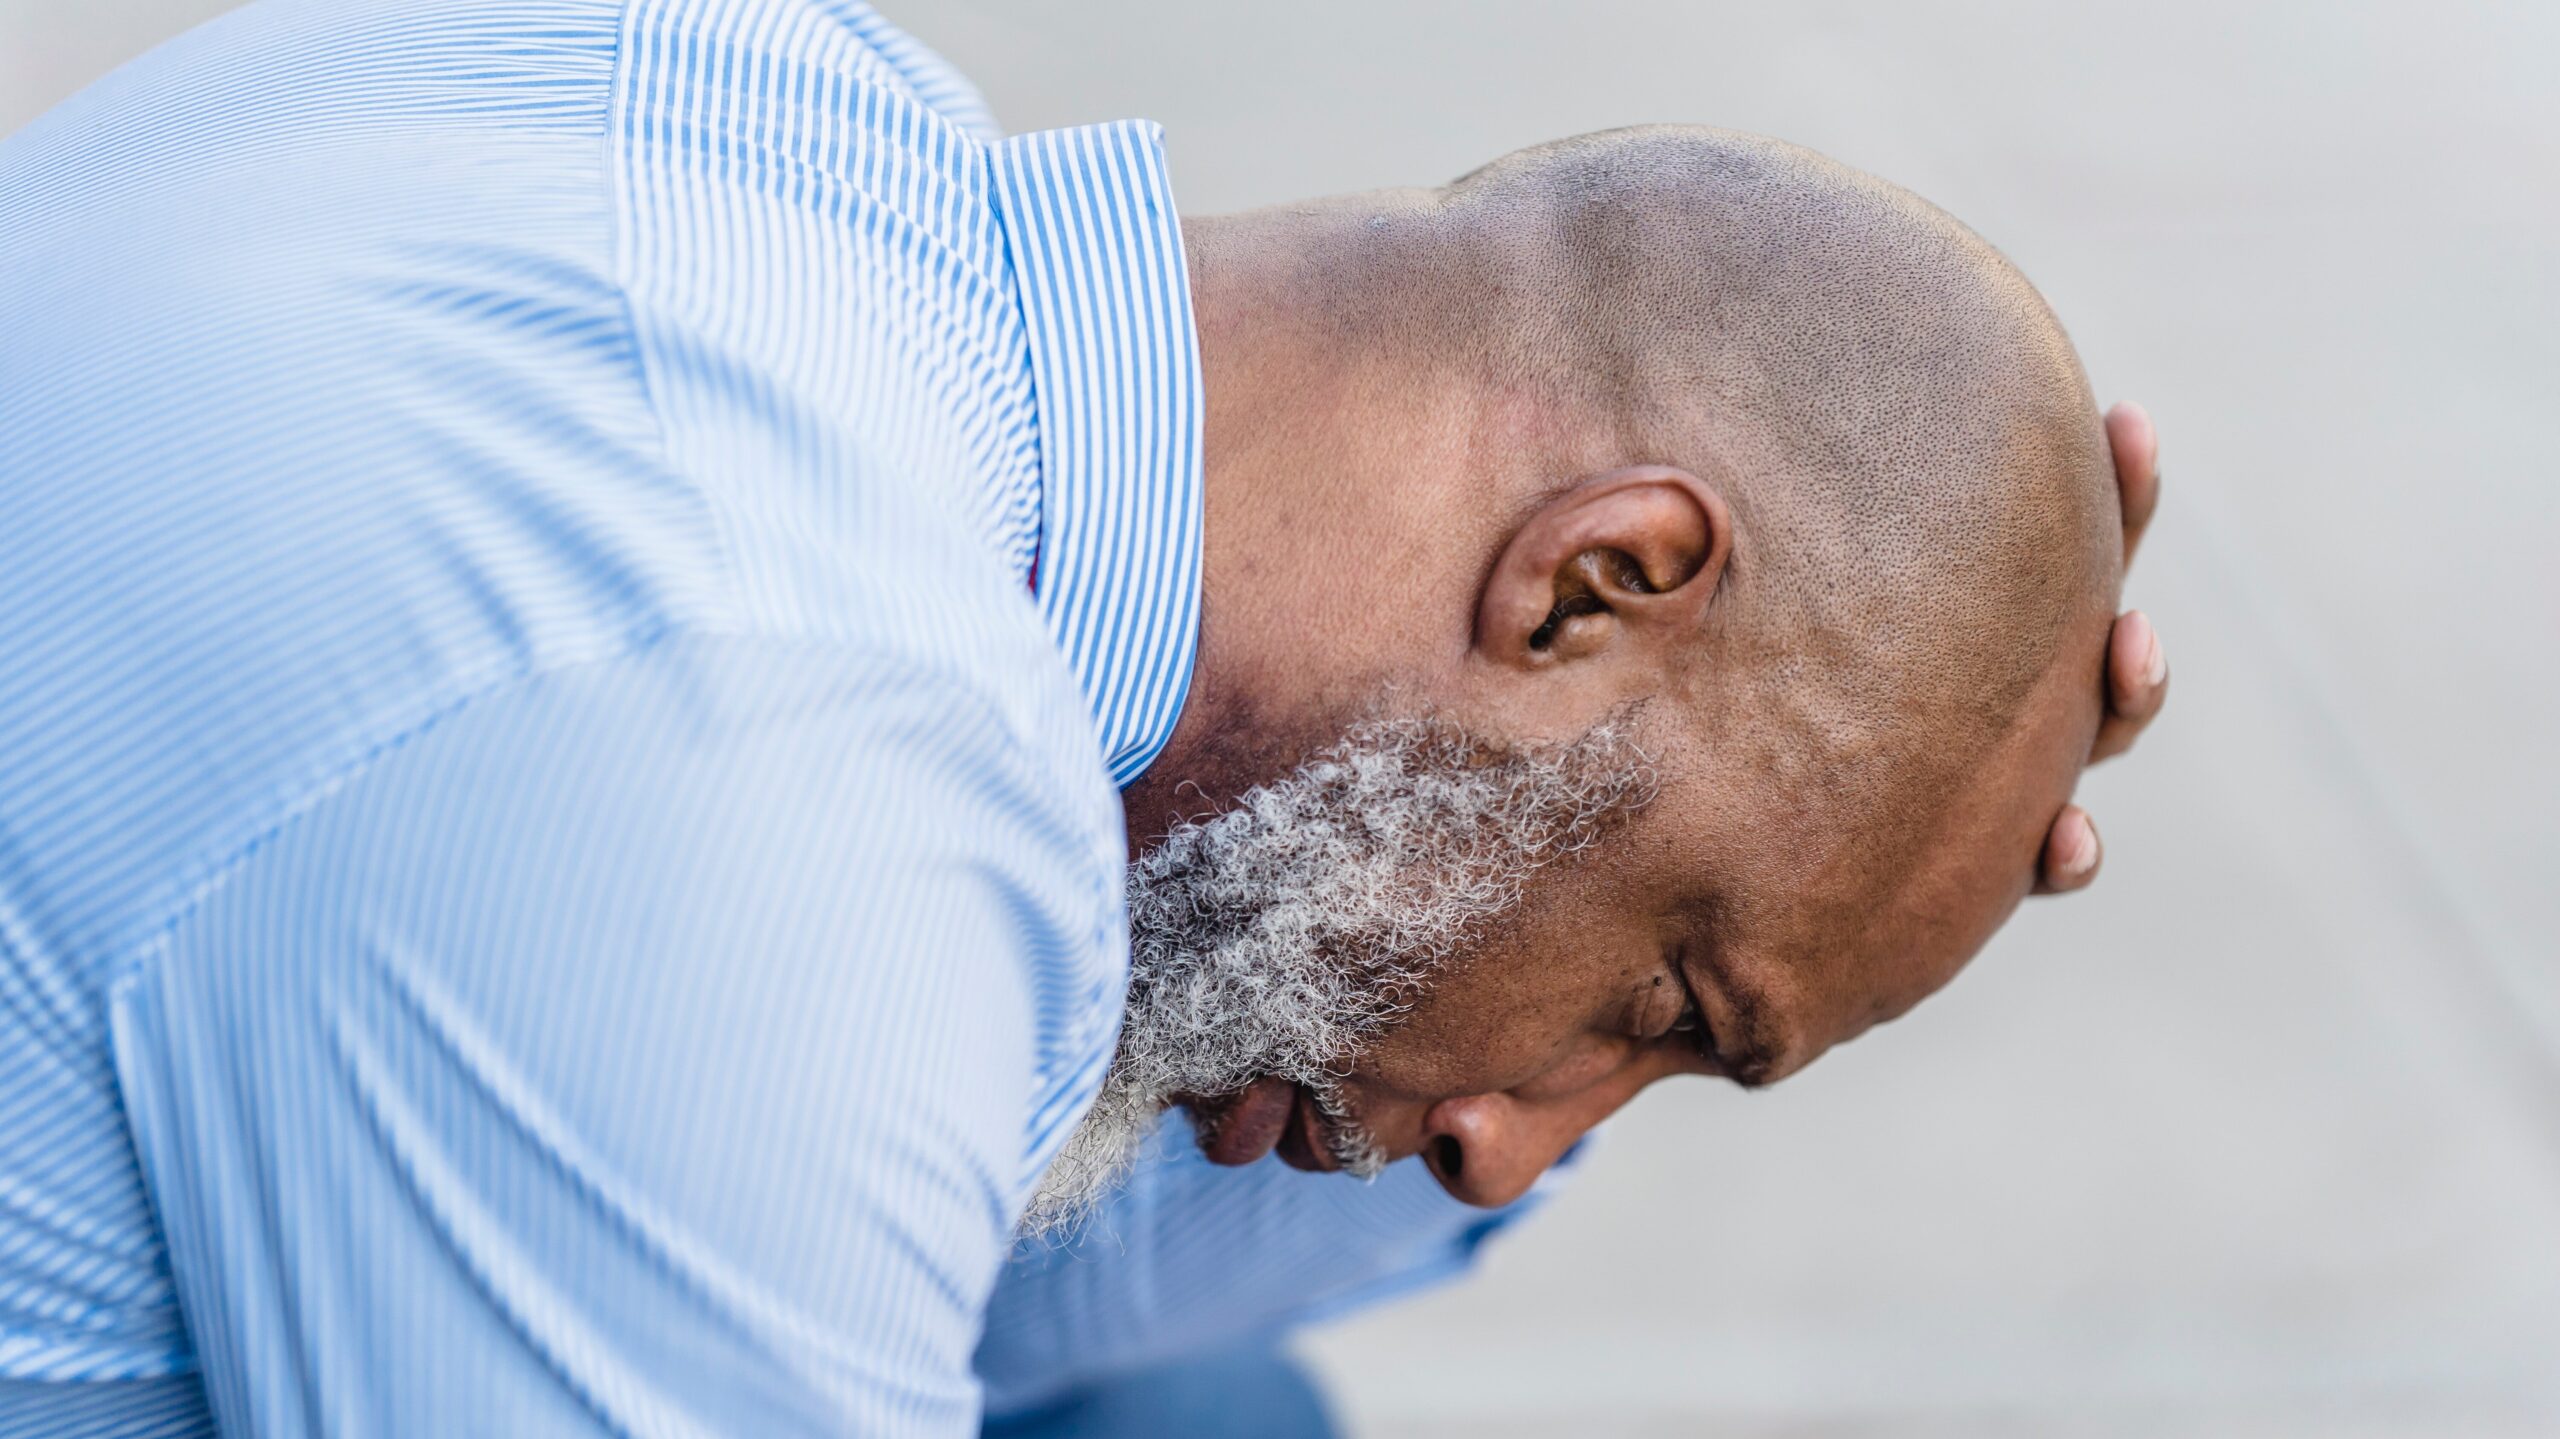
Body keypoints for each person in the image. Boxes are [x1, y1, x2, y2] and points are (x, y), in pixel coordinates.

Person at [0, 0, 2168, 1434]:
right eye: (1657, 996)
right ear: (1592, 583)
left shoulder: (746, 116)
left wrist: (1893, 806)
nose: (1508, 1135)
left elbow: (954, 1271)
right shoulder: (748, 747)